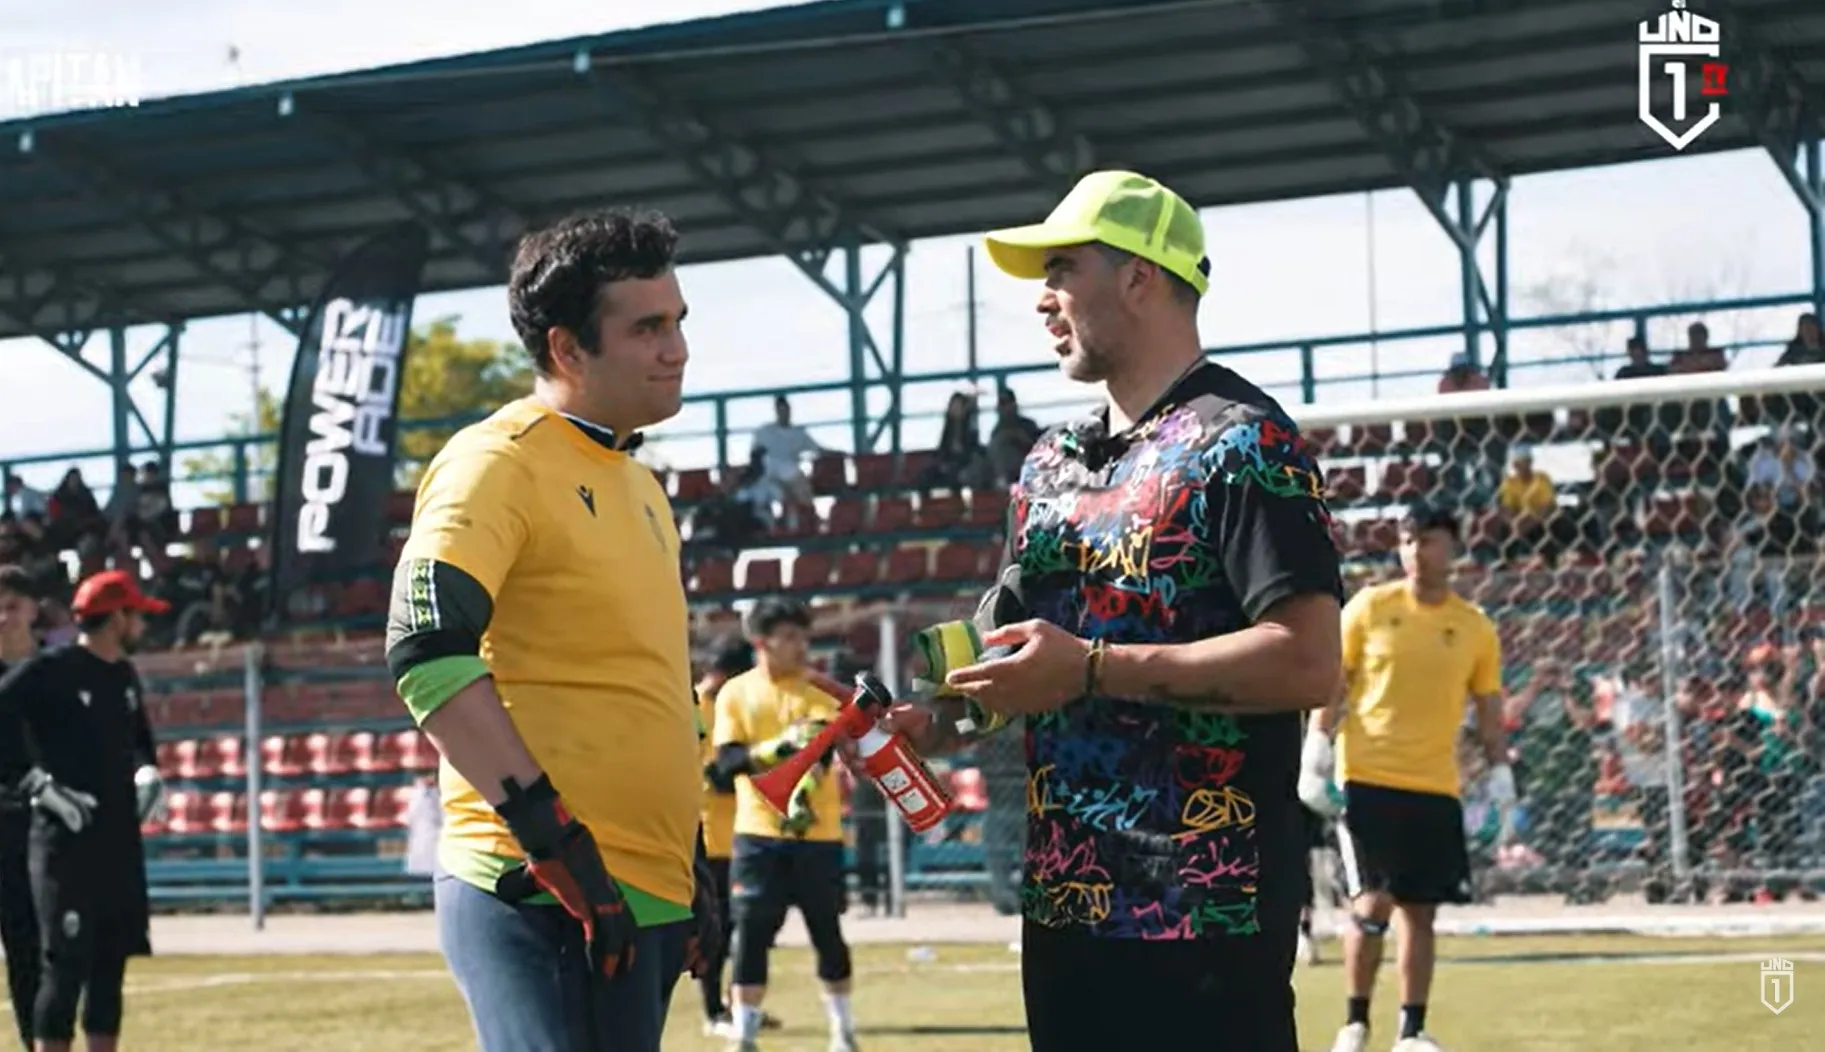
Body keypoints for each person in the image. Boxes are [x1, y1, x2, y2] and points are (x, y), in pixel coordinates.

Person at [890, 170, 1346, 1051]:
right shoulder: (1048, 462)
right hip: (1064, 907)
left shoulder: (1244, 440)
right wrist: (936, 720)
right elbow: (1018, 655)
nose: (1041, 299)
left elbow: (1306, 662)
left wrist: (1094, 669)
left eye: (1061, 269)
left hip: (1203, 909)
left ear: (1138, 276)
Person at [383, 208, 720, 1052]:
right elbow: (425, 647)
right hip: (540, 888)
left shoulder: (639, 483)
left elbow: (646, 685)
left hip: (646, 891)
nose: (677, 349)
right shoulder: (496, 461)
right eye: (646, 329)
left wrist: (692, 861)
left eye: (677, 321)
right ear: (568, 349)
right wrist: (554, 840)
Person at [1298, 507, 1513, 1052]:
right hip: (1366, 779)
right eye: (1408, 540)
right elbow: (1335, 682)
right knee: (1372, 903)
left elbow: (1488, 708)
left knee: (1421, 910)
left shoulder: (1474, 626)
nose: (1416, 551)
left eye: (1428, 540)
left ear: (1453, 547)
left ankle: (1411, 1031)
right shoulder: (1370, 607)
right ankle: (1355, 1023)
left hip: (1435, 784)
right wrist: (1317, 746)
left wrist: (1502, 773)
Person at [0, 569, 167, 1052]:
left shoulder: (123, 674)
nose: (142, 625)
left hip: (115, 842)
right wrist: (36, 784)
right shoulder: (51, 670)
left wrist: (147, 772)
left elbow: (138, 739)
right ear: (117, 618)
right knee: (60, 964)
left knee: (108, 966)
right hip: (58, 843)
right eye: (137, 615)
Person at [709, 600, 857, 1052]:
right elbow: (726, 764)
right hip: (758, 835)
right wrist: (775, 749)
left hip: (818, 835)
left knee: (827, 933)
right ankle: (744, 1033)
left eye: (803, 636)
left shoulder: (819, 691)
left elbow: (820, 755)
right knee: (750, 935)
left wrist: (800, 783)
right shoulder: (736, 693)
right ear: (762, 643)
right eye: (789, 637)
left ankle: (842, 1031)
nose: (800, 646)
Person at [694, 635, 762, 1040]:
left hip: (742, 831)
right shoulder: (696, 708)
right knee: (715, 928)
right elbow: (714, 774)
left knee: (745, 927)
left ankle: (737, 1004)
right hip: (709, 836)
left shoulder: (735, 706)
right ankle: (712, 1011)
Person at [0, 566, 43, 1052]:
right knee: (20, 942)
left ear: (33, 610)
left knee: (51, 946)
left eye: (12, 606)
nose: (3, 617)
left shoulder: (57, 673)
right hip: (6, 827)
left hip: (52, 827)